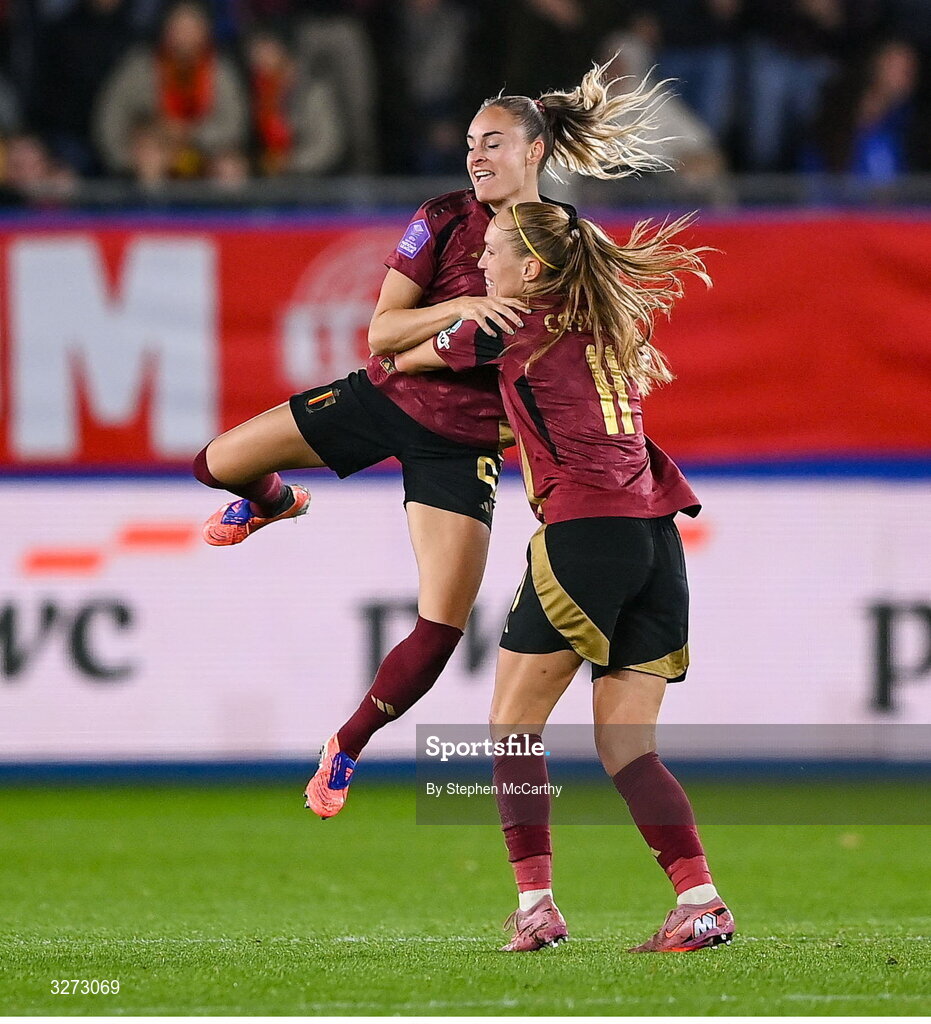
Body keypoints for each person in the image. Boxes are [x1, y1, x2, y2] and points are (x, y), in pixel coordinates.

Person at [192, 61, 671, 819]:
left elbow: (582, 343)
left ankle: (345, 745)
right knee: (215, 463)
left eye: (494, 143)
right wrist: (471, 304)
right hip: (384, 400)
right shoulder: (443, 217)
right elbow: (381, 333)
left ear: (536, 152)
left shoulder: (563, 238)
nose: (477, 157)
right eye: (471, 144)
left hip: (464, 446)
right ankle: (274, 502)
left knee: (440, 624)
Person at [392, 202, 734, 953]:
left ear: (533, 268)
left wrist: (445, 320)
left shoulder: (506, 323)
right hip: (658, 536)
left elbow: (399, 356)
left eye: (490, 254)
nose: (479, 267)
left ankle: (536, 904)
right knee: (628, 747)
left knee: (512, 727)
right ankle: (700, 899)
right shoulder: (611, 323)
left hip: (584, 533)